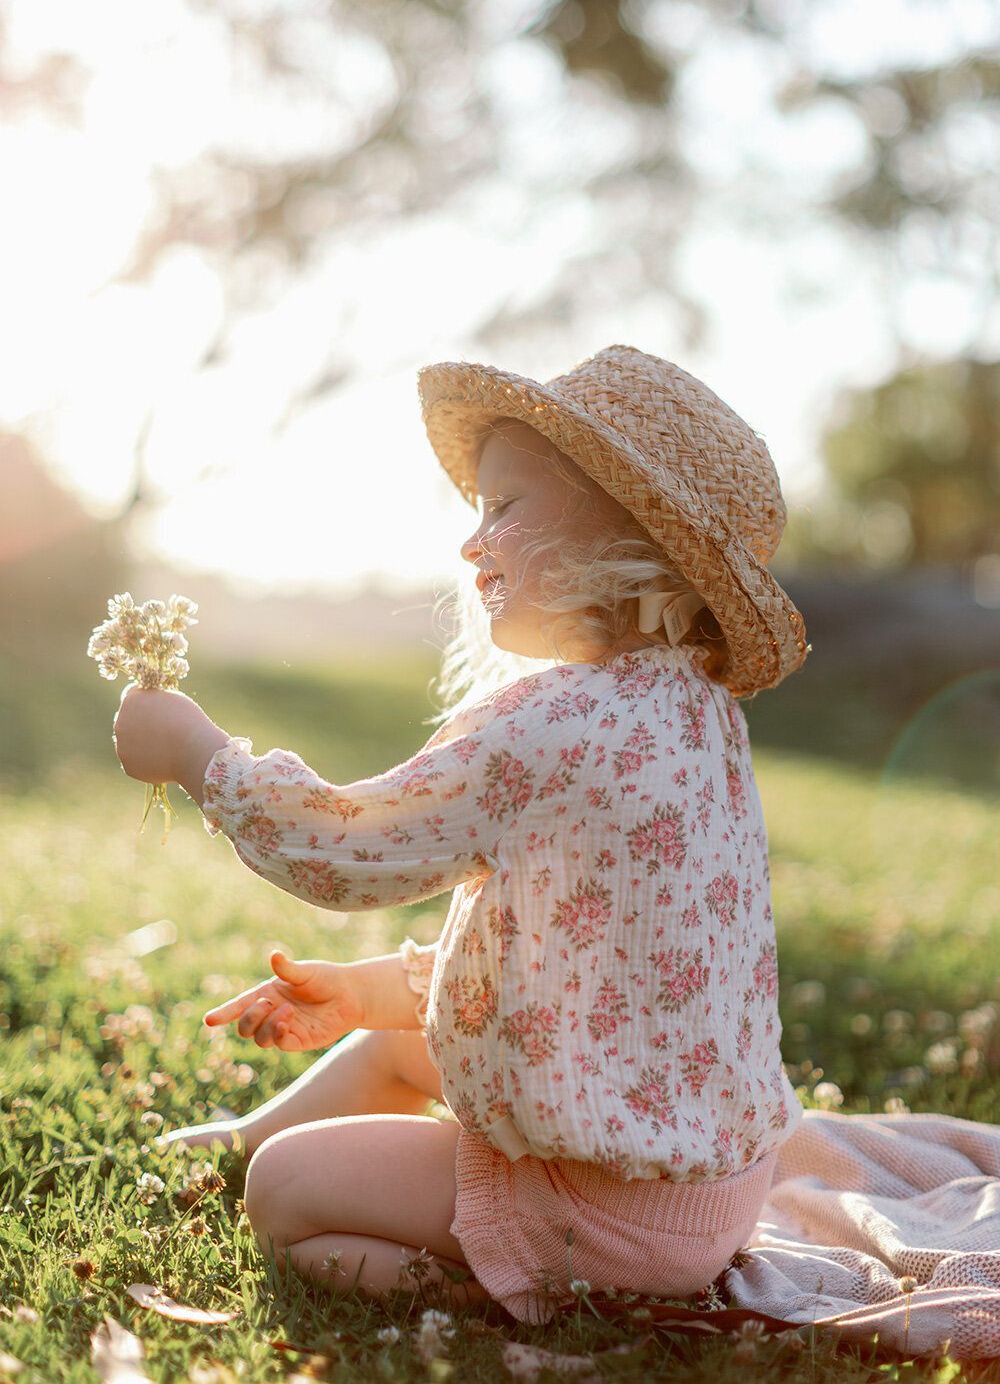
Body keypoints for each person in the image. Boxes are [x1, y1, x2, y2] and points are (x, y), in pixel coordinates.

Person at [113, 345, 809, 1321]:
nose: (470, 545)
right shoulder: (697, 720)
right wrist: (358, 993)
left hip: (604, 1209)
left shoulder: (553, 723)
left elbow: (343, 848)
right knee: (392, 1057)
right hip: (708, 1181)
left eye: (504, 509)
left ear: (627, 532)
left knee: (287, 1189)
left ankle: (492, 1286)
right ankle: (237, 1139)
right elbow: (583, 971)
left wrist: (197, 754)